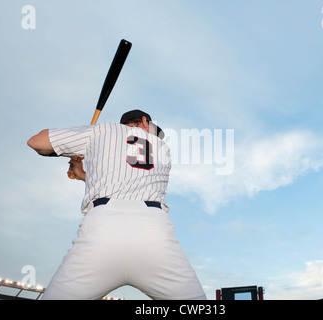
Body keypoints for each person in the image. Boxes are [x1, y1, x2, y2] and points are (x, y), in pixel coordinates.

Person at [27, 109, 206, 300]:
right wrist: (84, 174)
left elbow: (37, 142)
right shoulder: (163, 149)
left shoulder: (102, 130)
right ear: (145, 122)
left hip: (102, 230)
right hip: (154, 234)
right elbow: (129, 178)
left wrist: (74, 148)